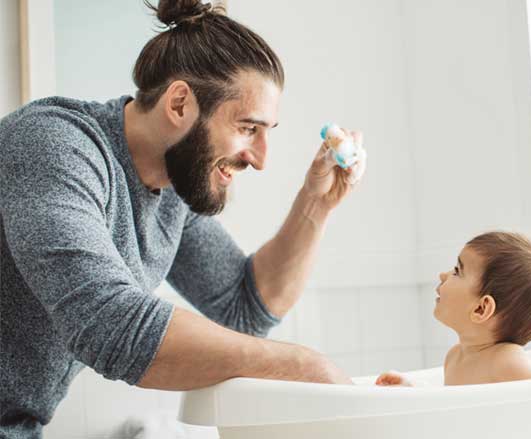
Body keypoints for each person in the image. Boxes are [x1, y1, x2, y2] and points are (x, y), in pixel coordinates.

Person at [0, 1, 364, 437]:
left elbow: (244, 304)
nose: (261, 159)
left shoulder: (171, 190)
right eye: (248, 128)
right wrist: (305, 366)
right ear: (179, 104)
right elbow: (109, 324)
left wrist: (315, 204)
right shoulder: (54, 146)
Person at [375, 232, 531, 386]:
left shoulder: (507, 362)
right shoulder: (455, 356)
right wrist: (413, 388)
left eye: (457, 271)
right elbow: (453, 406)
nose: (443, 274)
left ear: (481, 309)